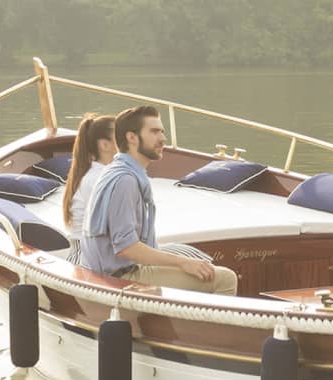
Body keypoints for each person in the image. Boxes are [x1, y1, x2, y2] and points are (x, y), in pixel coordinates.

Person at [79, 105, 238, 295]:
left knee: (199, 262)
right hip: (116, 277)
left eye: (162, 131)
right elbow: (125, 247)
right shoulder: (125, 180)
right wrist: (183, 263)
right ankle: (207, 325)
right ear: (131, 137)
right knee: (225, 279)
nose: (163, 138)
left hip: (113, 270)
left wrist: (184, 260)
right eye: (154, 132)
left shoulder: (119, 170)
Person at [62, 113, 116, 257]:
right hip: (90, 259)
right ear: (105, 145)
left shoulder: (103, 173)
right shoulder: (99, 179)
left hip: (102, 253)